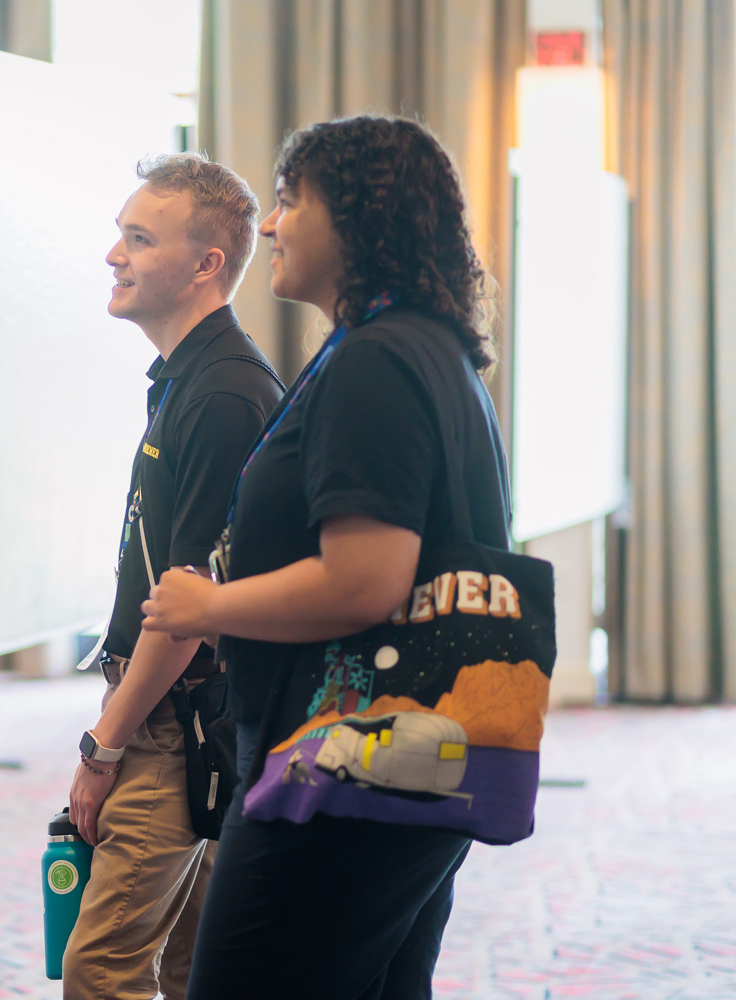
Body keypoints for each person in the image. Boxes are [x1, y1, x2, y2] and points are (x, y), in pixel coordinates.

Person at [141, 115, 506, 999]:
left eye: (287, 200)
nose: (270, 226)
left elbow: (365, 579)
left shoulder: (377, 361)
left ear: (353, 216)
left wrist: (209, 607)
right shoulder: (423, 346)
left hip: (342, 767)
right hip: (409, 760)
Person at [62, 154, 282, 1000]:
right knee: (192, 971)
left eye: (139, 239)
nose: (114, 255)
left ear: (205, 265)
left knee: (101, 970)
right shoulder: (191, 378)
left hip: (173, 721)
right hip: (171, 711)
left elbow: (188, 606)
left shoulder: (225, 395)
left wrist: (105, 745)